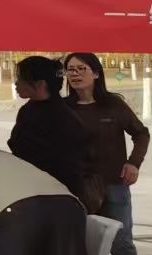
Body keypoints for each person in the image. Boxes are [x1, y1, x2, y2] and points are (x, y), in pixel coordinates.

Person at [63, 52, 152, 255]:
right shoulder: (63, 108)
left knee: (122, 241)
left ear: (96, 73)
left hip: (114, 184)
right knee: (86, 242)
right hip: (78, 187)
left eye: (81, 68)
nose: (75, 74)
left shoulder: (113, 105)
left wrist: (134, 163)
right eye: (70, 69)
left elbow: (141, 133)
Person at [8, 56, 94, 205]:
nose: (16, 83)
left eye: (21, 78)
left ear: (40, 84)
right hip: (31, 192)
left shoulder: (63, 118)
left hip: (56, 197)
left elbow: (69, 167)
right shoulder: (28, 110)